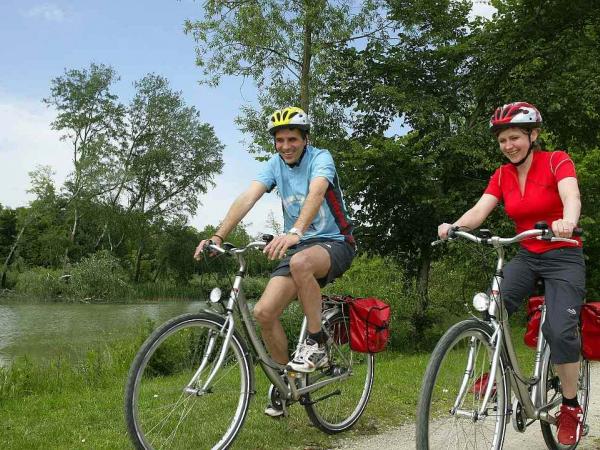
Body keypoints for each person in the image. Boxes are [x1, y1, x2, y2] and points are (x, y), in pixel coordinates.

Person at [438, 102, 585, 445]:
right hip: (528, 252)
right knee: (494, 308)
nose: (509, 145)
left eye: (515, 137)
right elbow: (480, 210)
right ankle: (498, 378)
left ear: (533, 136)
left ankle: (570, 406)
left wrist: (568, 221)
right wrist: (455, 226)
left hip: (563, 254)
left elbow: (571, 195)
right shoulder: (502, 175)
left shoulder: (556, 160)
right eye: (503, 140)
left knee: (560, 330)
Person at [193, 106, 356, 416]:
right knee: (264, 312)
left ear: (305, 139)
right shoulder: (273, 165)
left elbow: (316, 193)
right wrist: (217, 237)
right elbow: (248, 197)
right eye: (279, 140)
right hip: (298, 245)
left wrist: (295, 231)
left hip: (336, 243)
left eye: (292, 139)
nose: (285, 146)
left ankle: (317, 342)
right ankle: (287, 381)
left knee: (300, 263)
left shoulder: (321, 159)